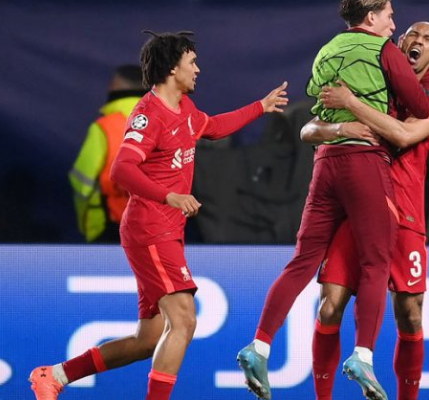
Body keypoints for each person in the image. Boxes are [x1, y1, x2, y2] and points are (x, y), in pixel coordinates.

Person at [29, 30, 288, 400]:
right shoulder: (148, 115)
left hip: (165, 231)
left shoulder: (184, 108)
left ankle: (54, 375)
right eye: (192, 62)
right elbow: (121, 169)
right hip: (150, 229)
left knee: (148, 340)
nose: (198, 69)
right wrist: (169, 196)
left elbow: (213, 127)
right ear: (171, 69)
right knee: (184, 320)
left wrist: (260, 107)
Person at [236, 0, 429, 400]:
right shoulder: (384, 52)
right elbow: (420, 107)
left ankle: (259, 345)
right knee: (375, 263)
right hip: (364, 166)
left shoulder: (326, 50)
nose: (394, 24)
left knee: (302, 262)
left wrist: (343, 114)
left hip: (325, 164)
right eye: (389, 16)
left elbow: (315, 110)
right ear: (371, 18)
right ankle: (363, 355)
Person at [304, 22, 429, 400]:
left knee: (410, 315)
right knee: (329, 306)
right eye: (412, 35)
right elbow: (309, 129)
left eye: (427, 40)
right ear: (398, 43)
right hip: (357, 209)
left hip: (406, 214)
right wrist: (338, 129)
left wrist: (352, 104)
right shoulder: (371, 82)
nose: (417, 41)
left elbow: (403, 135)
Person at [69, 64, 146, 242]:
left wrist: (89, 225)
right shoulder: (172, 124)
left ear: (114, 85)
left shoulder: (105, 128)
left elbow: (82, 183)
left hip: (113, 228)